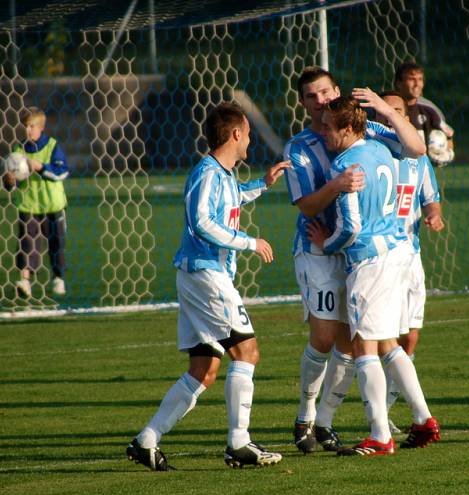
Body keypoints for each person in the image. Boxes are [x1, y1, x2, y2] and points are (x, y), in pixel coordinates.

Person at [126, 103, 291, 470]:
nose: (249, 139)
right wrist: (249, 241)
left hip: (198, 275)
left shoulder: (224, 175)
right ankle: (239, 443)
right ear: (235, 134)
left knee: (204, 369)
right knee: (247, 353)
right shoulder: (208, 173)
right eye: (247, 133)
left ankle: (146, 440)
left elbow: (228, 203)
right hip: (205, 275)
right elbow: (201, 221)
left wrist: (262, 185)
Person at [284, 67, 427, 454]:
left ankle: (327, 422)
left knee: (352, 343)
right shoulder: (298, 148)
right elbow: (305, 205)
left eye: (326, 92)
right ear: (303, 103)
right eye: (312, 96)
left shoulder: (365, 131)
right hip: (319, 249)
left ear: (337, 92)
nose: (321, 100)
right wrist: (336, 186)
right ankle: (305, 415)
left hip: (354, 248)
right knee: (326, 338)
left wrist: (387, 108)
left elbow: (416, 148)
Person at [374, 91, 445, 430]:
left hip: (411, 257)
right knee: (379, 338)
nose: (391, 117)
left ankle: (387, 409)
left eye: (397, 111)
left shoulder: (419, 158)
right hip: (380, 256)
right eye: (386, 111)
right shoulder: (373, 152)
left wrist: (434, 215)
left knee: (410, 337)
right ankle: (378, 416)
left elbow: (431, 199)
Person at [2, 106, 70, 297]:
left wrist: (39, 166)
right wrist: (9, 183)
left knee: (56, 244)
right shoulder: (18, 149)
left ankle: (58, 278)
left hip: (53, 205)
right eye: (25, 126)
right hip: (28, 205)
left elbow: (62, 172)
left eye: (31, 126)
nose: (27, 130)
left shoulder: (52, 146)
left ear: (41, 127)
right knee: (26, 244)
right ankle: (24, 282)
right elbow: (12, 181)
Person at [394, 62, 455, 166]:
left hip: (422, 172)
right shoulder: (388, 107)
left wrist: (447, 154)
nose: (417, 84)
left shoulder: (430, 110)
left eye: (420, 79)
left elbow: (449, 135)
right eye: (411, 79)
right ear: (398, 83)